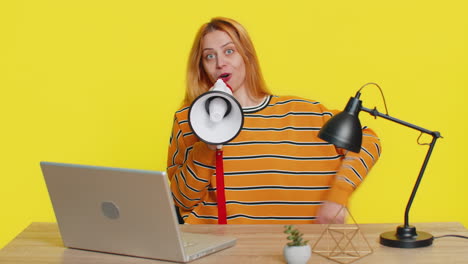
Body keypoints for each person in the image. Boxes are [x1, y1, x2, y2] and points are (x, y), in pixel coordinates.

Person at [167, 17, 381, 224]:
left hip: (301, 249)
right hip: (225, 252)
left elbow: (367, 140)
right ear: (202, 67)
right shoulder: (190, 120)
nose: (220, 63)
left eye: (229, 51)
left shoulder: (301, 113)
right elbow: (182, 199)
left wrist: (338, 196)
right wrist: (208, 143)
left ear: (247, 56)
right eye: (209, 56)